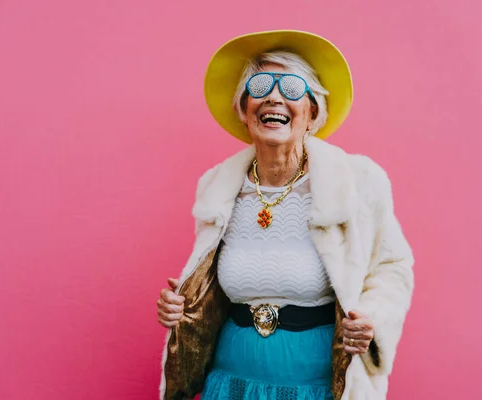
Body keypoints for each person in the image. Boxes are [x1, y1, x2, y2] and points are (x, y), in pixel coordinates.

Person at [156, 30, 415, 400]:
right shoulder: (217, 188)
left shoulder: (357, 183)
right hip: (231, 382)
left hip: (317, 385)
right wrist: (184, 307)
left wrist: (373, 316)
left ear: (312, 113)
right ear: (244, 111)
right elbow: (210, 288)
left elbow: (393, 267)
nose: (274, 96)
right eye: (259, 86)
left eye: (292, 88)